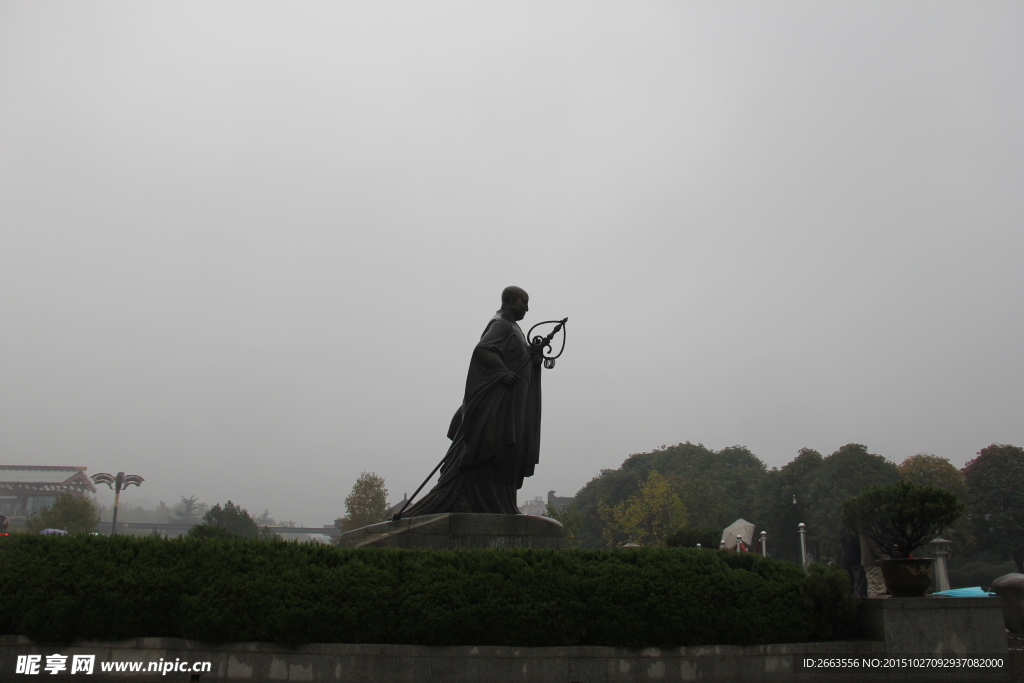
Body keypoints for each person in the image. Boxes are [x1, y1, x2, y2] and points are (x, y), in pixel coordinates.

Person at [404, 286, 543, 516]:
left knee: (511, 454)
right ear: (511, 300)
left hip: (513, 406)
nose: (527, 308)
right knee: (498, 453)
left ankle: (502, 504)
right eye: (524, 302)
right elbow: (483, 351)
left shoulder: (514, 327)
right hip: (501, 411)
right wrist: (501, 373)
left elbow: (520, 359)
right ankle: (488, 504)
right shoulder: (501, 324)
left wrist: (534, 358)